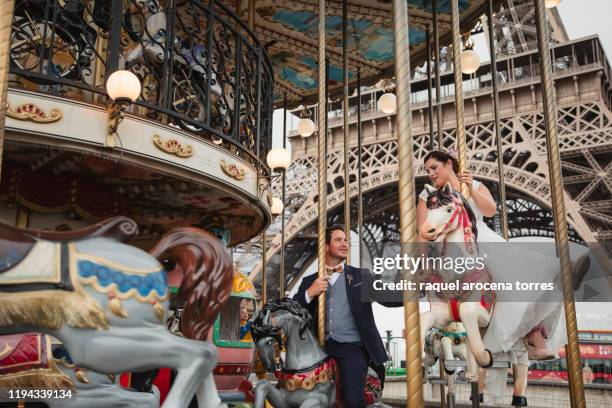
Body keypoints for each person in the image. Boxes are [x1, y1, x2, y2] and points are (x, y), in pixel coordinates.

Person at [416, 149, 590, 361]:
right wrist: (423, 263)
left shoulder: (473, 184)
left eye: (434, 167)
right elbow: (422, 232)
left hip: (480, 237)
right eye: (427, 170)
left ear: (449, 163)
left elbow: (489, 211)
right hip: (451, 244)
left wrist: (471, 187)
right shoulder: (429, 196)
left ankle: (538, 330)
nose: (431, 173)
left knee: (519, 271)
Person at [293, 224, 401, 408]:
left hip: (352, 346)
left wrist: (420, 290)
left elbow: (386, 297)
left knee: (352, 400)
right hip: (318, 348)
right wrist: (310, 293)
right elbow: (293, 309)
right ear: (325, 246)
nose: (344, 244)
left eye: (346, 241)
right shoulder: (310, 281)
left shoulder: (360, 277)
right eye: (338, 240)